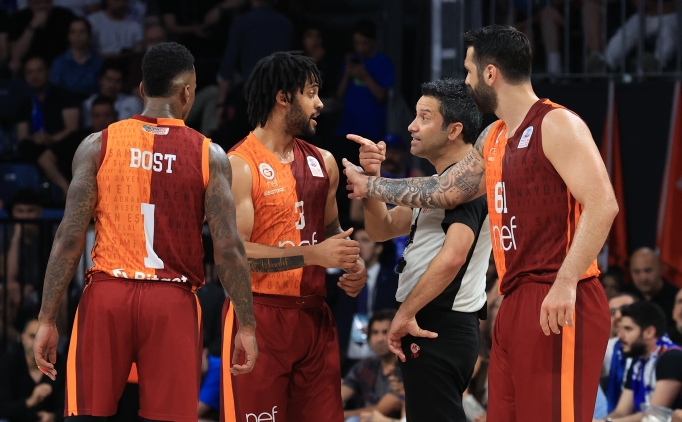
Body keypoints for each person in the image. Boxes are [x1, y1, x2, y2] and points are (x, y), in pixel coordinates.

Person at [343, 24, 618, 422]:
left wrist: (565, 282)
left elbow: (603, 204)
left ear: (491, 73)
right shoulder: (493, 136)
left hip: (558, 291)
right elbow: (444, 190)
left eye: (469, 71)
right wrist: (372, 184)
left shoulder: (556, 123)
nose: (467, 81)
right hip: (513, 297)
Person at [32, 42, 257, 422]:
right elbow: (229, 249)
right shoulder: (209, 155)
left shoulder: (97, 145)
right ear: (188, 92)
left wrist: (46, 319)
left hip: (107, 296)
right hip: (172, 302)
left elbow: (68, 239)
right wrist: (246, 326)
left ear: (141, 89)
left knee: (85, 416)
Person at [224, 51, 367, 422]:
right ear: (283, 97)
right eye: (311, 93)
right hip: (258, 313)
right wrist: (314, 256)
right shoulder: (240, 164)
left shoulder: (324, 161)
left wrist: (353, 263)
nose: (320, 103)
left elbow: (331, 231)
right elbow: (234, 255)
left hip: (315, 316)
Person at [351, 78, 490, 422]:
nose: (412, 126)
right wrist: (372, 177)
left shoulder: (466, 186)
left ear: (454, 130)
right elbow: (381, 229)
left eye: (425, 117)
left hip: (440, 323)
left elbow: (454, 256)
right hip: (428, 321)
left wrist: (405, 312)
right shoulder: (435, 185)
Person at [326, 225, 399, 367]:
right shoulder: (338, 280)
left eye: (365, 241)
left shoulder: (394, 281)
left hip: (383, 353)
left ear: (378, 248)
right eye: (355, 241)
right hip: (344, 355)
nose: (358, 246)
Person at [597, 302, 682, 421]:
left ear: (649, 332)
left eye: (628, 329)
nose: (620, 336)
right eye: (620, 329)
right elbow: (621, 412)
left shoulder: (672, 358)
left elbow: (654, 415)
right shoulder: (637, 362)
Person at [0, 317, 65, 422]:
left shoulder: (62, 366)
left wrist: (53, 417)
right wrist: (30, 401)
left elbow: (71, 408)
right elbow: (2, 408)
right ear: (23, 338)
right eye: (33, 336)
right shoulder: (7, 363)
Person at [342, 310, 403, 420]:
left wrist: (338, 416)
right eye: (375, 332)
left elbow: (382, 409)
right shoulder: (366, 365)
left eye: (385, 332)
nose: (380, 339)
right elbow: (340, 395)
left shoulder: (404, 368)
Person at [7, 0, 75, 74]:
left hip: (59, 66)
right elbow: (15, 55)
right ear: (29, 3)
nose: (42, 6)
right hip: (28, 68)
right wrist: (32, 26)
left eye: (47, 2)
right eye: (37, 3)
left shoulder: (65, 15)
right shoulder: (18, 18)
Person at [49, 17, 102, 97]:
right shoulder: (59, 63)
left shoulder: (98, 63)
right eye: (73, 32)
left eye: (82, 31)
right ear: (68, 36)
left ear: (89, 36)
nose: (78, 36)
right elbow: (54, 90)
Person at [603, 293, 639, 413]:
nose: (618, 315)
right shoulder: (607, 347)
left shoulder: (657, 349)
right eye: (612, 312)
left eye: (625, 309)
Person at [81, 60, 142, 128]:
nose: (112, 85)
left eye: (117, 81)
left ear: (123, 83)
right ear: (101, 80)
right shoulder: (88, 104)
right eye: (109, 80)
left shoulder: (133, 103)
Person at [629, 247, 679, 327]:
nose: (643, 278)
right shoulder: (626, 297)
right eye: (636, 272)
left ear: (660, 269)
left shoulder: (677, 298)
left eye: (648, 270)